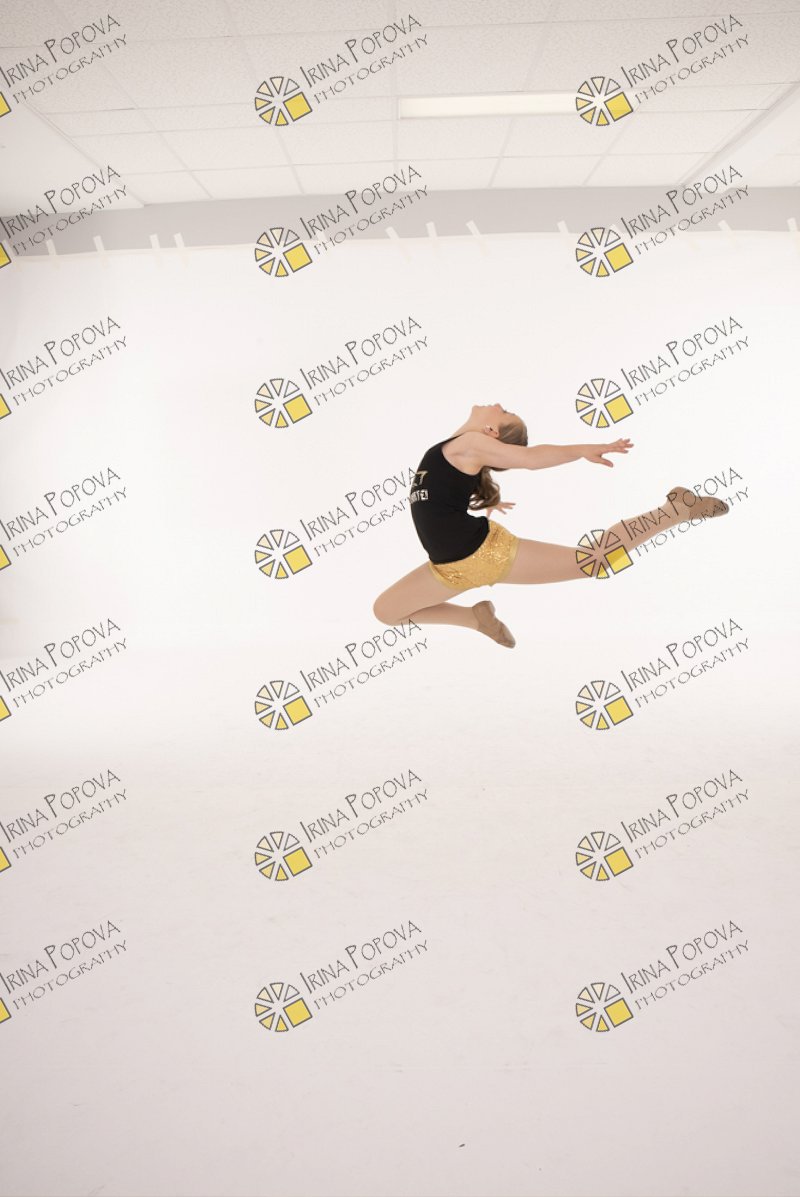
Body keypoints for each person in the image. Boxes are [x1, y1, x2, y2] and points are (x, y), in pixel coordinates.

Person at [372, 402, 729, 648]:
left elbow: (530, 458)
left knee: (592, 562)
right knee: (386, 612)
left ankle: (674, 511)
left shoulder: (470, 444)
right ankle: (475, 619)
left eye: (505, 412)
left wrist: (581, 450)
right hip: (448, 569)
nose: (500, 404)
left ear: (491, 431)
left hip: (485, 554)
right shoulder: (452, 448)